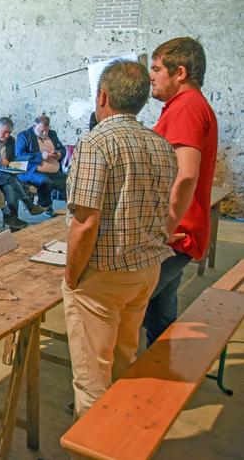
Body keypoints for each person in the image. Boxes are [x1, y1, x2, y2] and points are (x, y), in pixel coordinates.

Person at [62, 60, 178, 418]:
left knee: (92, 379)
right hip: (146, 269)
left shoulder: (96, 143)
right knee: (123, 359)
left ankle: (96, 447)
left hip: (104, 274)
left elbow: (85, 222)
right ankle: (121, 436)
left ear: (103, 96)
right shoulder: (159, 144)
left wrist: (71, 277)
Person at [143, 37, 218, 346]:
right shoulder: (185, 106)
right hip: (181, 230)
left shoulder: (186, 107)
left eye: (157, 68)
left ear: (180, 73)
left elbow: (186, 175)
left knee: (123, 306)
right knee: (160, 312)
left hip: (177, 234)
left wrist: (165, 228)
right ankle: (159, 375)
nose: (151, 75)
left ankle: (110, 389)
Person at [0, 117, 46, 227]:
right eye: (4, 132)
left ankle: (12, 220)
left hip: (5, 175)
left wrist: (17, 165)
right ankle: (28, 204)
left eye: (9, 133)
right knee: (11, 179)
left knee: (10, 187)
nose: (7, 136)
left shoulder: (11, 141)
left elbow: (12, 159)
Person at [15, 115, 67, 217]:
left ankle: (73, 209)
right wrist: (41, 156)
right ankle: (44, 206)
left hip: (54, 171)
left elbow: (62, 149)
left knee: (70, 181)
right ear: (35, 126)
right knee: (46, 182)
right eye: (41, 131)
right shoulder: (24, 136)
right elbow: (19, 156)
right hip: (33, 171)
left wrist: (59, 154)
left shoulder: (52, 134)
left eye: (46, 131)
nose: (44, 133)